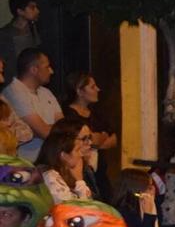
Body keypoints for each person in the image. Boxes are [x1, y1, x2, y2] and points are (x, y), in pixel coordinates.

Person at [60, 71, 115, 200]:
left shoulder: (97, 113)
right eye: (92, 86)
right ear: (79, 91)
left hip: (100, 172)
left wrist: (97, 140)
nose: (98, 89)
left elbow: (113, 140)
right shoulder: (68, 113)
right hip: (80, 169)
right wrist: (99, 138)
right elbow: (94, 139)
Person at [3, 47, 62, 161]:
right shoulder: (14, 92)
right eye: (47, 67)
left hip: (50, 161)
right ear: (34, 69)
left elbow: (64, 126)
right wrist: (48, 128)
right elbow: (44, 132)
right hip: (27, 164)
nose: (51, 71)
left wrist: (48, 128)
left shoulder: (46, 92)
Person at [37, 120, 93, 203]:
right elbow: (73, 210)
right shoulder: (50, 177)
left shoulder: (81, 170)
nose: (90, 142)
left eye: (90, 138)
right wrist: (80, 181)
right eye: (84, 138)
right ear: (64, 155)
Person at [0, 0, 39, 78]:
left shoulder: (34, 30)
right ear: (20, 11)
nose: (37, 11)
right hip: (12, 82)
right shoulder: (4, 34)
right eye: (32, 8)